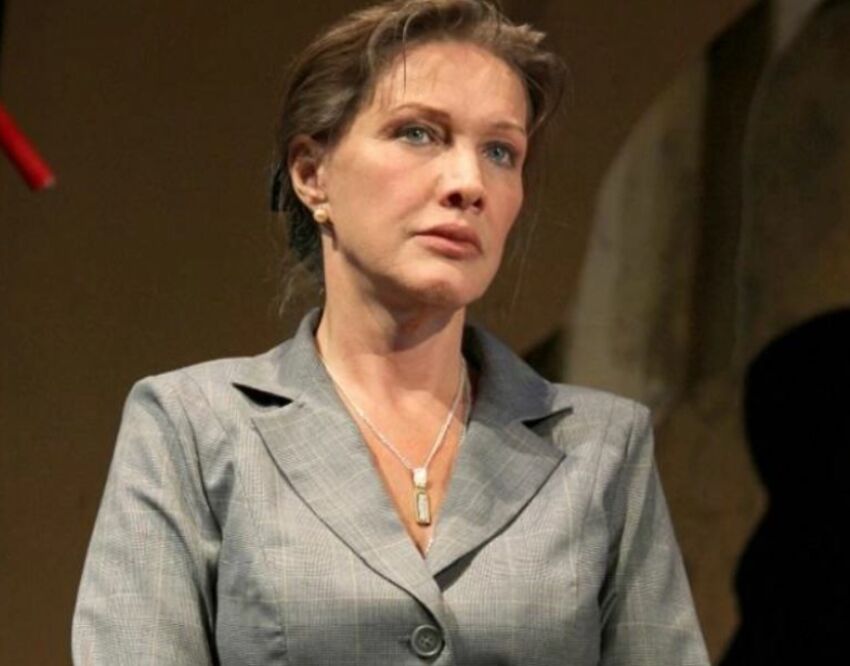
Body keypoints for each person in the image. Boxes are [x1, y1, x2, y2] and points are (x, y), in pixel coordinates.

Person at [72, 1, 710, 664]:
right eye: (418, 134)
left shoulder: (601, 448)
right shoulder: (194, 428)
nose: (469, 183)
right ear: (312, 175)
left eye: (500, 151)